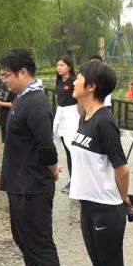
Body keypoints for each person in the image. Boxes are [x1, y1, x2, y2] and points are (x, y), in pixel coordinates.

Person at [69, 60, 133, 266]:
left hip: (107, 209)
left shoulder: (105, 122)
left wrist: (123, 199)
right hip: (88, 205)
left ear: (91, 86)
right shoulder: (85, 117)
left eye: (79, 78)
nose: (74, 81)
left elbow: (122, 168)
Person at [0, 49, 64, 266]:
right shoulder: (22, 98)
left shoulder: (36, 103)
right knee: (22, 238)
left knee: (41, 242)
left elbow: (46, 145)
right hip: (18, 182)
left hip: (33, 185)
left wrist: (53, 168)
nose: (4, 80)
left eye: (6, 75)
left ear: (23, 72)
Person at [52, 56, 79, 192]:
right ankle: (72, 178)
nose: (59, 68)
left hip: (72, 114)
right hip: (61, 113)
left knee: (73, 148)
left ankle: (77, 180)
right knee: (67, 149)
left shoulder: (74, 81)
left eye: (62, 65)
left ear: (69, 67)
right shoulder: (58, 81)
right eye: (58, 65)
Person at [0, 80, 13, 145]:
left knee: (11, 142)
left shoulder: (13, 87)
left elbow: (14, 104)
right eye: (1, 75)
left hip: (11, 118)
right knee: (5, 142)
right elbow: (1, 99)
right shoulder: (2, 86)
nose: (2, 77)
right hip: (3, 118)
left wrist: (1, 103)